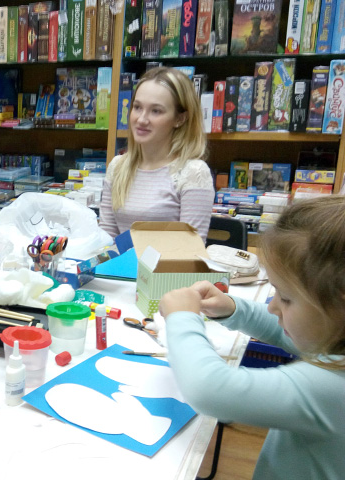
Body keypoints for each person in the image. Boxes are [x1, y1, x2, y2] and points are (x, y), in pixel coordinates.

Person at [160, 196, 345, 479]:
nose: (273, 307)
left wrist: (182, 318)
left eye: (285, 297)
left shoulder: (331, 387)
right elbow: (289, 333)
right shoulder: (334, 345)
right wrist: (233, 308)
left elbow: (209, 390)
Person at [99, 67, 215, 241]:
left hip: (171, 260)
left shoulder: (194, 173)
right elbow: (106, 239)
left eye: (156, 111)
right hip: (121, 260)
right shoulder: (117, 167)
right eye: (137, 107)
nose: (141, 119)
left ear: (180, 118)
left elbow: (190, 251)